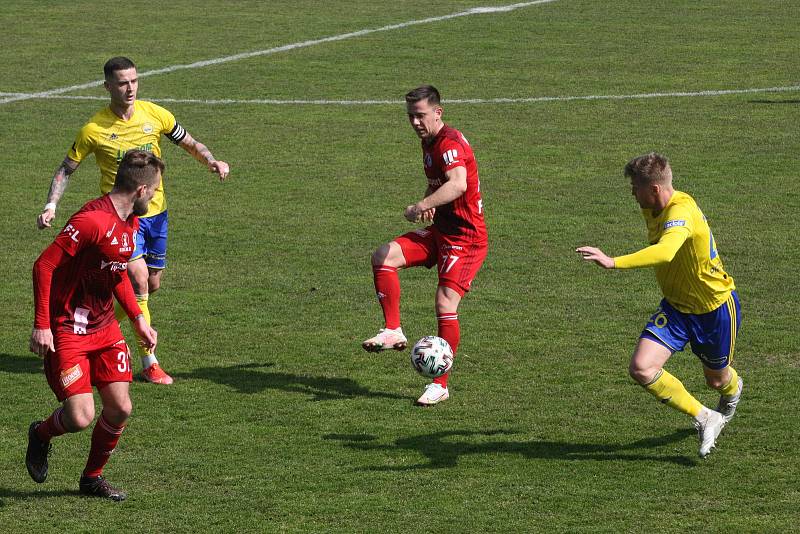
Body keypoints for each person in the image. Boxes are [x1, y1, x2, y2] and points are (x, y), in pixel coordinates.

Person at [36, 56, 230, 385]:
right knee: (138, 279)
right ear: (108, 86)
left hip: (156, 214)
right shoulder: (94, 129)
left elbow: (189, 142)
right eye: (123, 82)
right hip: (119, 218)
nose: (130, 88)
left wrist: (211, 161)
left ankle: (90, 326)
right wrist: (52, 203)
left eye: (135, 81)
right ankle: (148, 362)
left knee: (151, 284)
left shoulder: (155, 114)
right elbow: (67, 168)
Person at [576, 152, 743, 458]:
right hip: (677, 308)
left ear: (654, 189)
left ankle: (732, 392)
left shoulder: (682, 212)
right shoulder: (653, 206)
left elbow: (666, 252)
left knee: (716, 379)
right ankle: (707, 417)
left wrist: (613, 262)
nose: (631, 193)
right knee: (641, 368)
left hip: (714, 309)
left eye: (635, 187)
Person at [27, 150, 161, 500]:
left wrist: (138, 321)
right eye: (155, 190)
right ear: (141, 190)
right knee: (80, 416)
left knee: (121, 408)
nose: (156, 197)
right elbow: (43, 266)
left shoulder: (130, 221)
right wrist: (42, 325)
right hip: (68, 328)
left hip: (104, 328)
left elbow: (115, 273)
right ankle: (41, 434)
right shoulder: (91, 221)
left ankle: (91, 479)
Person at [362, 85, 488, 406]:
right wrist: (432, 202)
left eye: (420, 116)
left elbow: (458, 183)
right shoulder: (429, 142)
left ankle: (440, 384)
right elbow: (442, 183)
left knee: (445, 303)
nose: (415, 123)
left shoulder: (448, 144)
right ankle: (393, 330)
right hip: (442, 232)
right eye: (410, 117)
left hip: (466, 239)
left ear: (437, 113)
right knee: (384, 256)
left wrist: (421, 205)